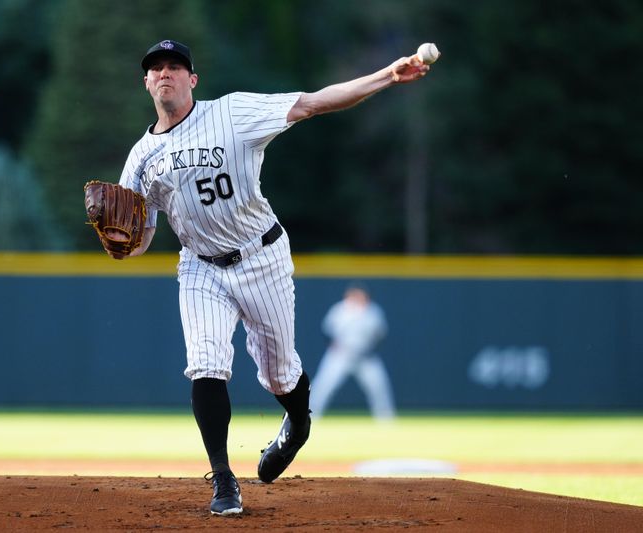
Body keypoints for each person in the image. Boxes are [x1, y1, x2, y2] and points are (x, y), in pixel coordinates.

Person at [115, 39, 431, 516]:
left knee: (279, 371)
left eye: (175, 67)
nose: (165, 74)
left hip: (261, 256)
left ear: (192, 80)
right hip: (200, 266)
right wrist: (119, 242)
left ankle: (298, 423)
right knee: (206, 363)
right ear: (145, 82)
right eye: (156, 68)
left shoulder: (232, 113)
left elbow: (314, 102)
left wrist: (386, 75)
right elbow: (137, 243)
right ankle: (224, 479)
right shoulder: (140, 158)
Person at [310, 286, 396, 421]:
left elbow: (380, 335)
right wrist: (333, 345)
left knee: (378, 387)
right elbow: (326, 331)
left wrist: (370, 349)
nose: (356, 299)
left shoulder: (373, 312)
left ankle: (386, 418)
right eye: (353, 296)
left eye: (360, 296)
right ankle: (310, 416)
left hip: (365, 357)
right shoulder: (339, 310)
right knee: (323, 386)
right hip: (340, 355)